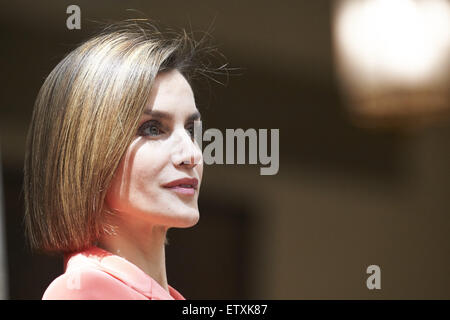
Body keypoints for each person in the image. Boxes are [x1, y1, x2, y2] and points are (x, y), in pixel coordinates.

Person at [23, 20, 221, 300]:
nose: (191, 154)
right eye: (152, 128)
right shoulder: (83, 291)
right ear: (88, 151)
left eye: (191, 131)